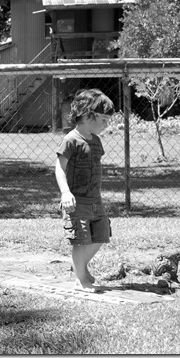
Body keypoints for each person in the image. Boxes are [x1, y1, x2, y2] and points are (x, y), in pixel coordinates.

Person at [54, 88, 115, 293]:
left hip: (94, 200)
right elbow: (59, 168)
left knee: (101, 233)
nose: (106, 125)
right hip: (76, 201)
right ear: (89, 116)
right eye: (104, 120)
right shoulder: (71, 140)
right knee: (80, 240)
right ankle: (80, 279)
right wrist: (65, 192)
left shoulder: (96, 141)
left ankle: (79, 266)